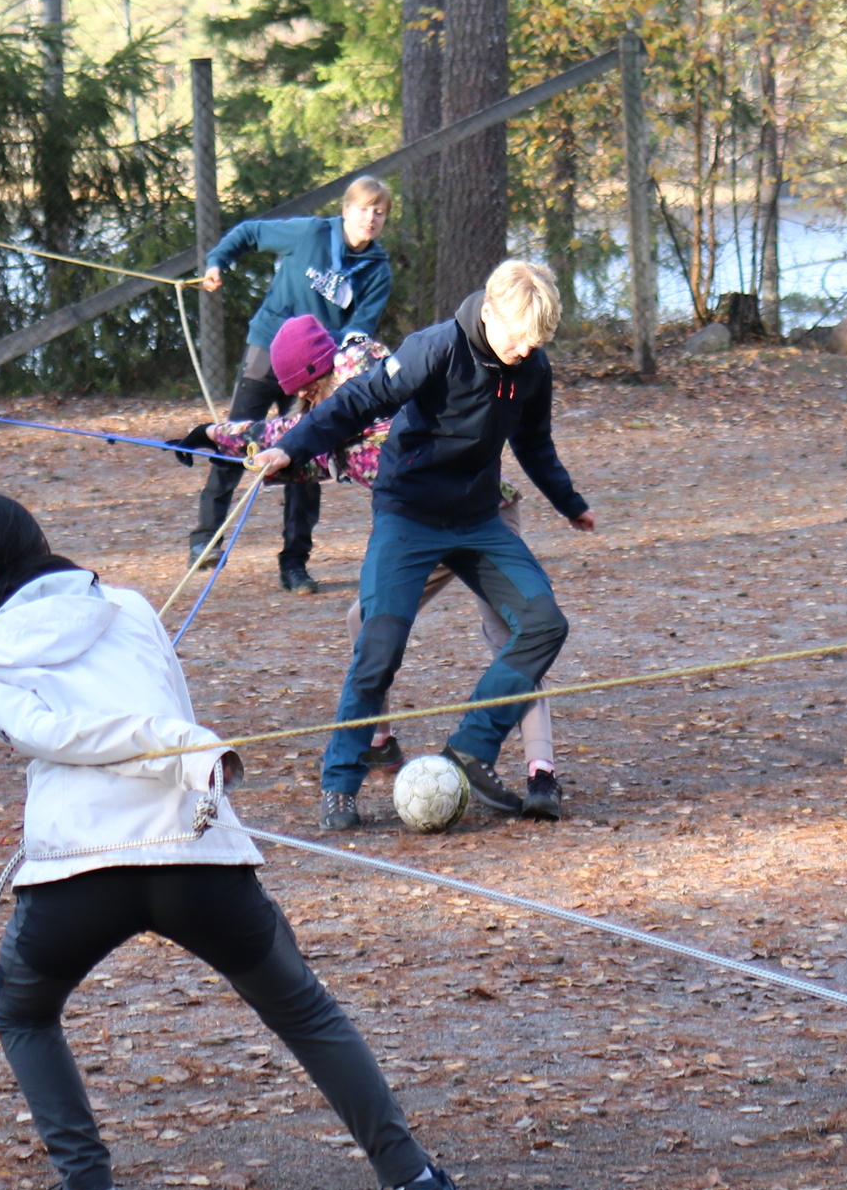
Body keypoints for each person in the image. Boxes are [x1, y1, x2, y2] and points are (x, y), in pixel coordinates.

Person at [0, 489, 458, 1190]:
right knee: (302, 1009)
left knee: (22, 1012)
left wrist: (182, 748)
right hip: (187, 855)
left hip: (88, 873)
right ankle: (413, 1180)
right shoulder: (117, 612)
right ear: (35, 544)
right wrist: (180, 747)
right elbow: (77, 731)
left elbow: (102, 727)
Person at [250, 259, 593, 831]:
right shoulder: (435, 348)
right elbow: (357, 400)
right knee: (379, 644)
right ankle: (340, 781)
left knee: (544, 623)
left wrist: (569, 500)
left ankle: (471, 748)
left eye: (535, 342)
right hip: (408, 516)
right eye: (518, 338)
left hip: (478, 520)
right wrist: (293, 446)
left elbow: (534, 442)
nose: (524, 350)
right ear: (490, 312)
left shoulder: (531, 366)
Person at [194, 316, 562, 818]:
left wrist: (216, 435)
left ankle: (540, 771)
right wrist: (217, 439)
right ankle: (377, 741)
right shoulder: (338, 408)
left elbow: (301, 430)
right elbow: (297, 441)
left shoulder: (372, 386)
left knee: (517, 636)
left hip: (485, 515)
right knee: (367, 625)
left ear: (320, 373)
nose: (305, 400)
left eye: (307, 389)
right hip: (415, 524)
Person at [190, 176, 395, 592]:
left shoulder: (377, 271)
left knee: (305, 453)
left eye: (379, 212)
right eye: (362, 209)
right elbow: (250, 233)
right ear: (345, 210)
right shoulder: (311, 234)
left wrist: (323, 353)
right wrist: (217, 262)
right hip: (267, 350)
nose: (370, 218)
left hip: (317, 371)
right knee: (236, 435)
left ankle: (294, 563)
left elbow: (359, 330)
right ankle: (206, 539)